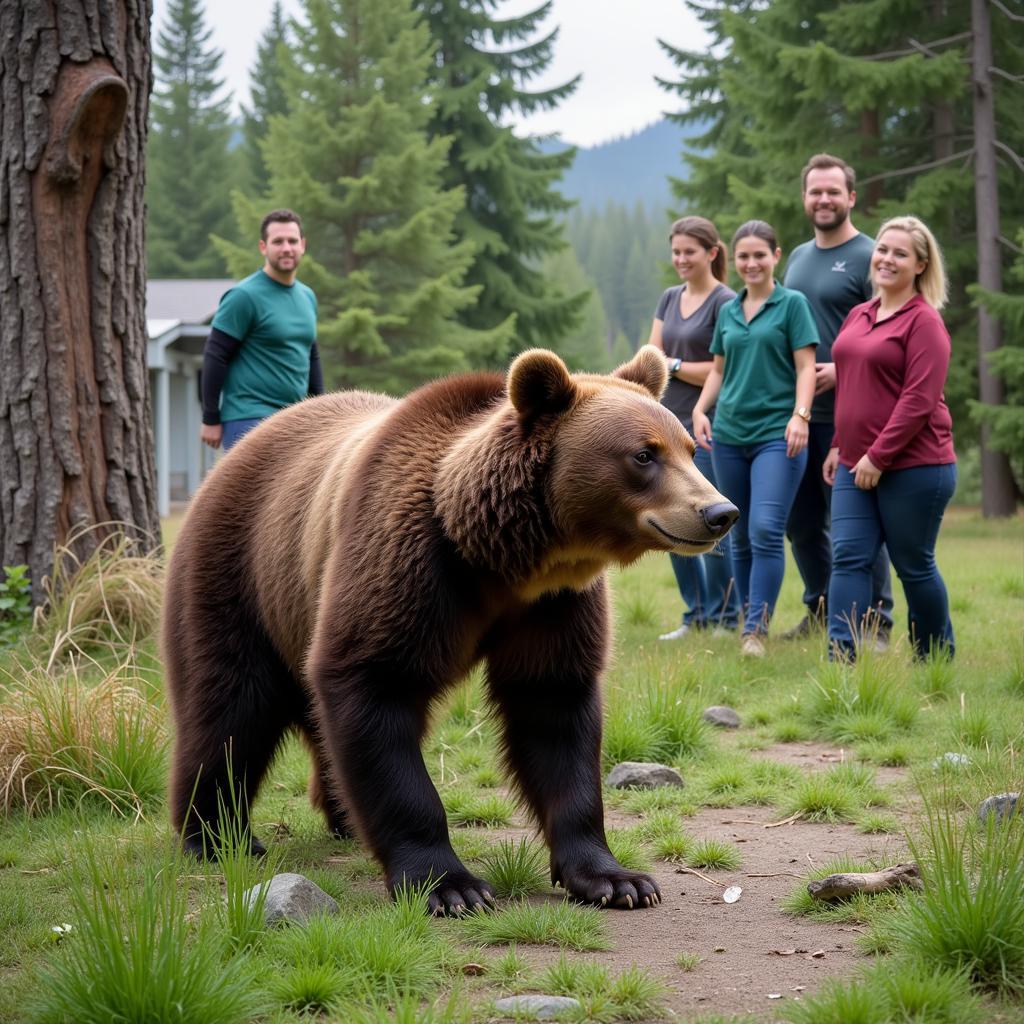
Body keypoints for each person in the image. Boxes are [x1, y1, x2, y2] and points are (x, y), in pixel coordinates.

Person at [824, 216, 956, 661]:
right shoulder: (859, 314)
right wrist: (840, 444)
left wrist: (877, 457)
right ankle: (840, 657)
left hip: (917, 467)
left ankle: (934, 657)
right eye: (883, 249)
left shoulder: (925, 324)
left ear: (920, 264)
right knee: (848, 556)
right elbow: (852, 382)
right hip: (853, 462)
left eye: (900, 253)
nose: (887, 259)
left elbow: (919, 400)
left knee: (913, 565)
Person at [692, 221, 818, 657]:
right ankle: (750, 620)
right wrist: (699, 409)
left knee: (766, 529)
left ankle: (755, 631)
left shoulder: (792, 305)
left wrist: (801, 415)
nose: (750, 264)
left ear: (776, 256)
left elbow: (806, 367)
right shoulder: (729, 310)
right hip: (728, 436)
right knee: (738, 535)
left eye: (759, 255)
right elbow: (718, 370)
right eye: (743, 256)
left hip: (775, 437)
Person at [782, 153, 894, 642]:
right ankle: (823, 608)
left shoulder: (873, 257)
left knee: (858, 527)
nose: (823, 199)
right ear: (805, 198)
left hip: (851, 418)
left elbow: (889, 333)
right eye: (815, 191)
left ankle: (877, 619)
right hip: (797, 417)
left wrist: (842, 369)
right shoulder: (798, 258)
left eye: (833, 191)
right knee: (801, 524)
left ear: (851, 197)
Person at [647, 216, 741, 639]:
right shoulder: (669, 298)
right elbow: (652, 355)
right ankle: (695, 614)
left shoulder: (726, 302)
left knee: (711, 518)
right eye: (677, 252)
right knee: (670, 520)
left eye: (690, 251)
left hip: (709, 424)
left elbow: (725, 369)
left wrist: (676, 366)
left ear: (711, 253)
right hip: (667, 424)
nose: (681, 259)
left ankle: (725, 615)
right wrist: (665, 367)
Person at [200, 209, 322, 452]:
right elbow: (215, 356)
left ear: (303, 245)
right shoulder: (244, 296)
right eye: (278, 241)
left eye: (292, 241)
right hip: (250, 419)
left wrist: (322, 409)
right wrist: (210, 418)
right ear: (263, 247)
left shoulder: (307, 296)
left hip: (297, 419)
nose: (286, 248)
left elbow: (311, 356)